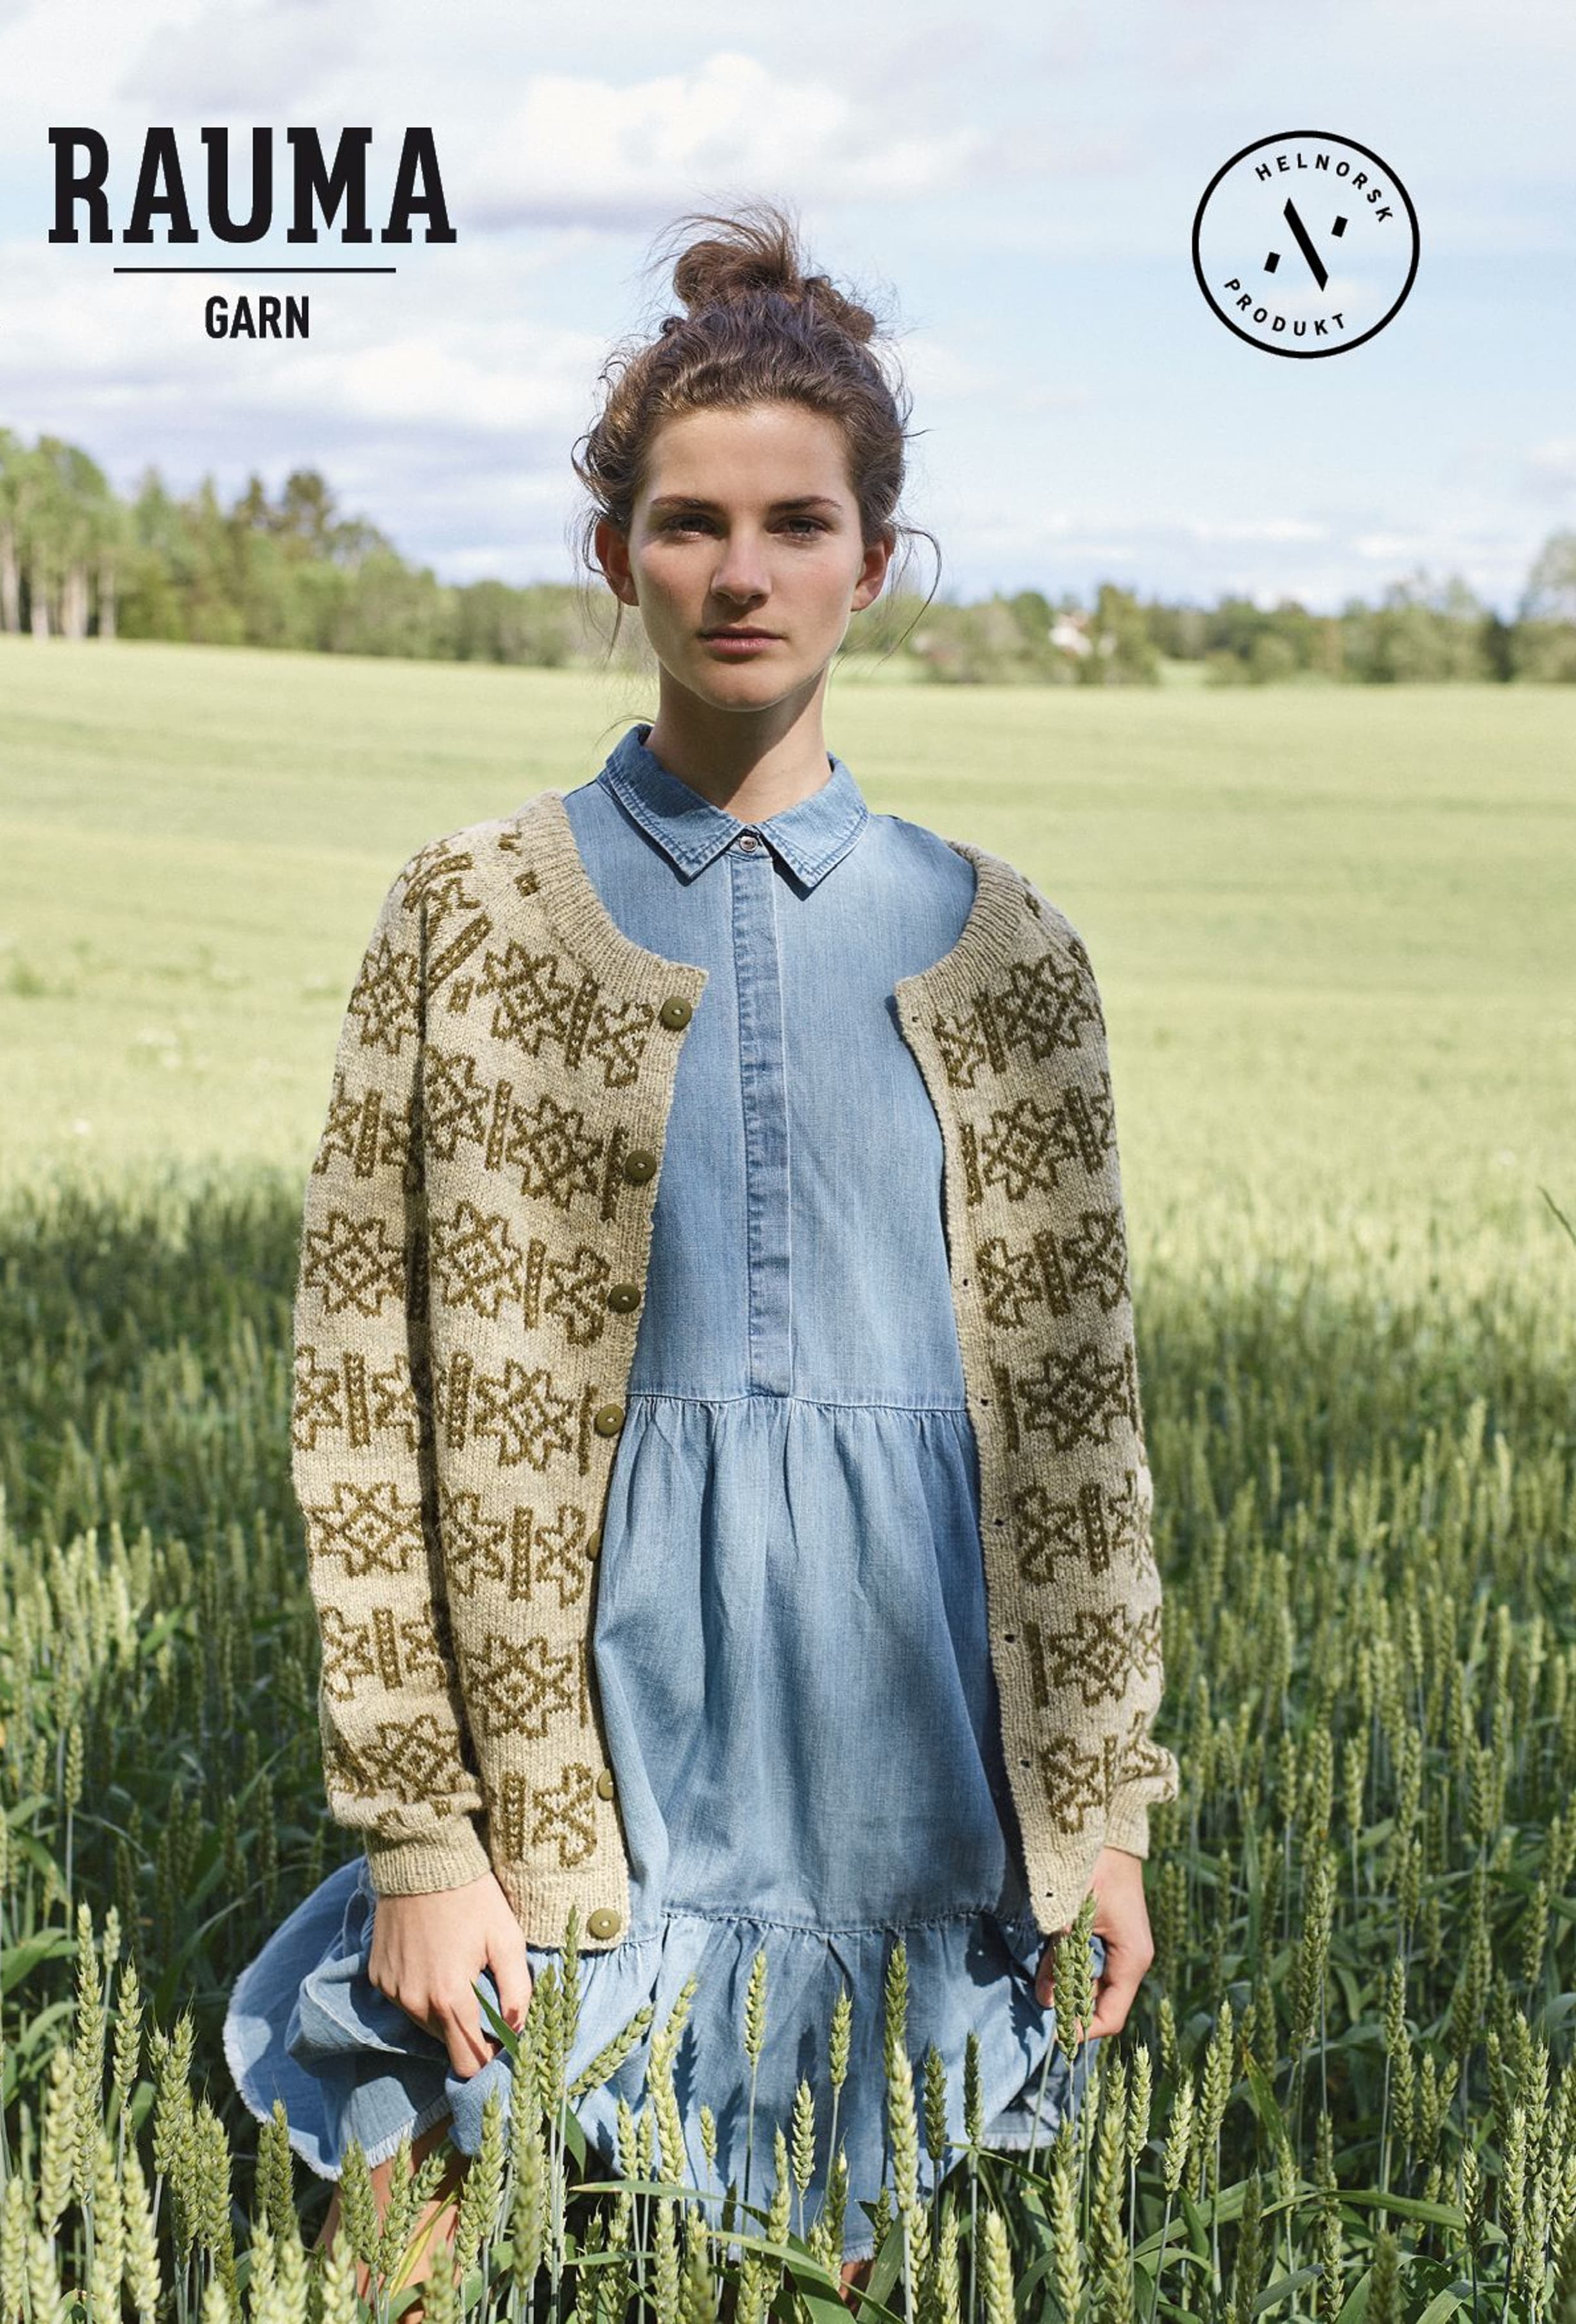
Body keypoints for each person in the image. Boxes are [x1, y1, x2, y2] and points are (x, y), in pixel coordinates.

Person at [223, 197, 1178, 2315]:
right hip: (569, 1725)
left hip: (898, 1737)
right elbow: (360, 1396)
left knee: (829, 2241)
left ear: (875, 559)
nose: (743, 573)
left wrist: (1103, 1808)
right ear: (615, 555)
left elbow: (1081, 1429)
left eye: (798, 523)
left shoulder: (1010, 951)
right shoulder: (471, 913)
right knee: (413, 2231)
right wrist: (421, 1836)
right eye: (689, 524)